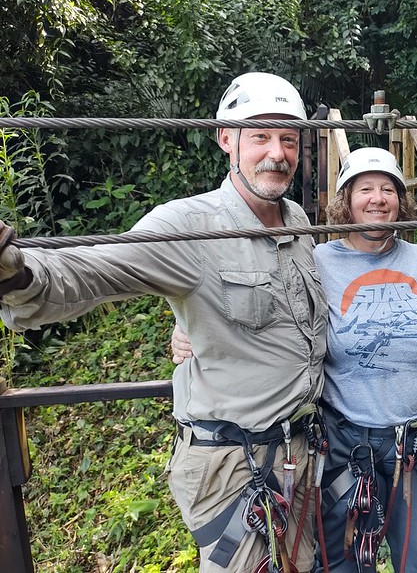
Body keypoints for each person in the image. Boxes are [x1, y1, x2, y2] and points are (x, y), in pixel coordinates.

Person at [0, 72, 328, 573]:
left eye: (288, 138)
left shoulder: (298, 222)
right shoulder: (188, 226)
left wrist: (191, 330)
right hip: (234, 466)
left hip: (299, 456)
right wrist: (17, 272)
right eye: (260, 135)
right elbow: (97, 270)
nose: (277, 153)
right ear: (226, 139)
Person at [173, 147, 417, 573]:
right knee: (340, 561)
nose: (377, 199)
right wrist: (192, 329)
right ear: (346, 201)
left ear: (400, 201)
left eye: (388, 190)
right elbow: (260, 306)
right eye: (365, 189)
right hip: (345, 444)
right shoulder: (316, 261)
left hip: (415, 442)